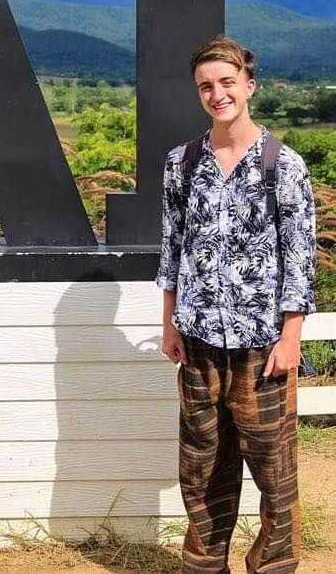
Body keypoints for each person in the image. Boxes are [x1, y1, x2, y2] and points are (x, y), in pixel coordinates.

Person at [156, 34, 317, 574]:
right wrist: (170, 323)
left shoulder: (283, 164)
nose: (217, 93)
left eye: (226, 82)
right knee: (200, 469)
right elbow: (172, 247)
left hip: (261, 347)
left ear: (249, 85)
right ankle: (204, 565)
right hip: (198, 340)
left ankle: (273, 564)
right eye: (206, 85)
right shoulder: (181, 164)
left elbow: (299, 258)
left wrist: (291, 336)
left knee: (274, 471)